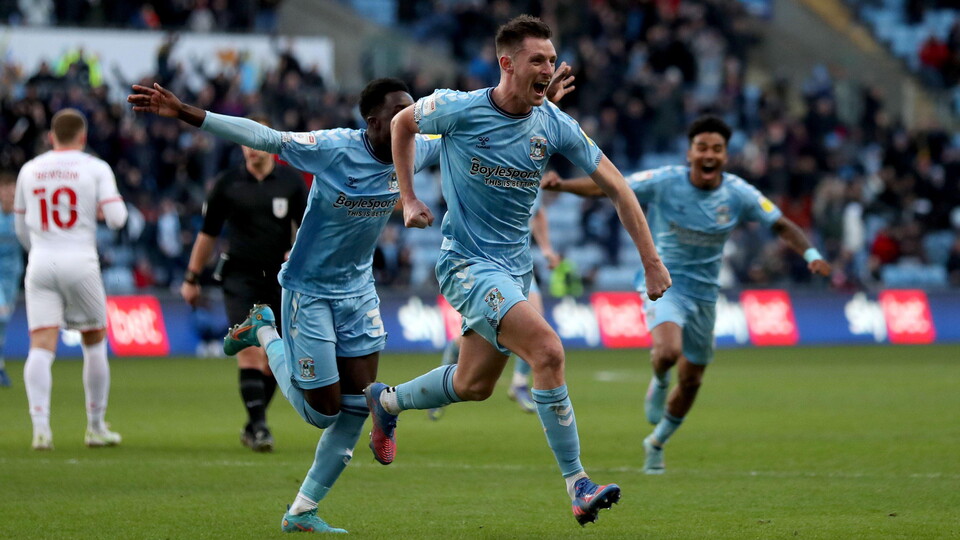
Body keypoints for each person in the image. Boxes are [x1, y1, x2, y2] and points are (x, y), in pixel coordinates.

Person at [371, 15, 671, 527]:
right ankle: (579, 484)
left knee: (473, 385)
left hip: (515, 273)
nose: (549, 68)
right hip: (466, 264)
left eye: (552, 61)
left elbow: (619, 188)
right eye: (538, 60)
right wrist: (408, 198)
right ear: (506, 63)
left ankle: (389, 401)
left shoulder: (553, 123)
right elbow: (402, 124)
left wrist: (651, 259)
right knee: (548, 351)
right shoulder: (459, 108)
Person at [128, 78, 443, 534]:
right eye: (400, 114)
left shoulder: (410, 148)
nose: (410, 122)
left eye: (412, 114)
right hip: (308, 289)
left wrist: (529, 107)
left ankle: (301, 512)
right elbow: (264, 137)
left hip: (357, 291)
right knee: (322, 413)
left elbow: (470, 132)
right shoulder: (332, 148)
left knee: (357, 407)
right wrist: (185, 112)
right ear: (374, 121)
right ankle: (263, 329)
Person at [542, 115, 832, 474]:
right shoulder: (665, 182)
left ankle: (657, 441)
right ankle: (660, 380)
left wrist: (812, 255)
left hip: (706, 296)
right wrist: (564, 186)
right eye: (702, 148)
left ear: (725, 156)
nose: (709, 155)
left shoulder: (738, 193)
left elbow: (782, 224)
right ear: (690, 152)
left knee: (693, 379)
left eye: (717, 149)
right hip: (665, 283)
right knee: (667, 352)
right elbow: (611, 186)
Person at [180, 117, 307, 453]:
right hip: (240, 278)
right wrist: (192, 277)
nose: (251, 149)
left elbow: (307, 231)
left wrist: (298, 253)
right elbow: (207, 235)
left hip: (281, 280)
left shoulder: (291, 183)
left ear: (270, 143)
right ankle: (261, 427)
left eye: (257, 142)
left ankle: (253, 423)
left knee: (274, 359)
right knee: (251, 351)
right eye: (246, 143)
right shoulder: (226, 184)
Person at [14, 108, 129, 450]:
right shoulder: (94, 168)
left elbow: (21, 227)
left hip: (40, 260)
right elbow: (119, 219)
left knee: (41, 345)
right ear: (83, 137)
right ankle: (94, 427)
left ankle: (41, 429)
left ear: (51, 137)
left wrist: (38, 248)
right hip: (80, 260)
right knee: (94, 342)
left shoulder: (30, 169)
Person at [427, 201, 562, 420]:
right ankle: (439, 384)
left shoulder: (531, 174)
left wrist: (546, 249)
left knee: (537, 319)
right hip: (487, 266)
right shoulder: (494, 172)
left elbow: (538, 213)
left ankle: (519, 383)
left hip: (520, 265)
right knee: (476, 336)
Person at [0, 173, 24, 388]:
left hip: (12, 274)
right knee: (1, 315)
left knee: (3, 324)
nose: (9, 194)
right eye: (5, 189)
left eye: (12, 190)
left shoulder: (22, 216)